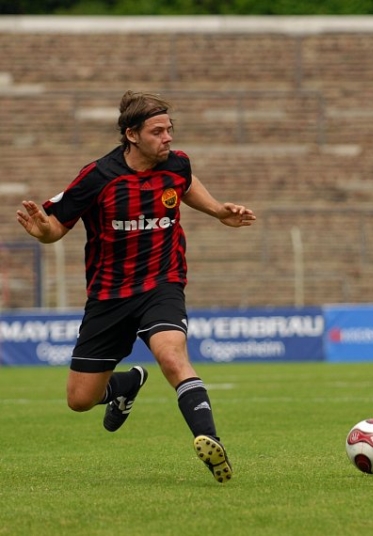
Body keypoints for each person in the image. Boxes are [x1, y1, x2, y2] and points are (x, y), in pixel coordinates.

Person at [16, 90, 256, 484]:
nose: (168, 138)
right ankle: (127, 383)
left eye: (170, 130)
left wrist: (217, 211)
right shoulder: (98, 177)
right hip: (109, 295)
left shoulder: (176, 165)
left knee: (172, 355)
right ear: (131, 135)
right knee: (80, 400)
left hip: (162, 284)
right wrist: (45, 232)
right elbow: (55, 226)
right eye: (158, 131)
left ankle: (210, 442)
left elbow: (186, 182)